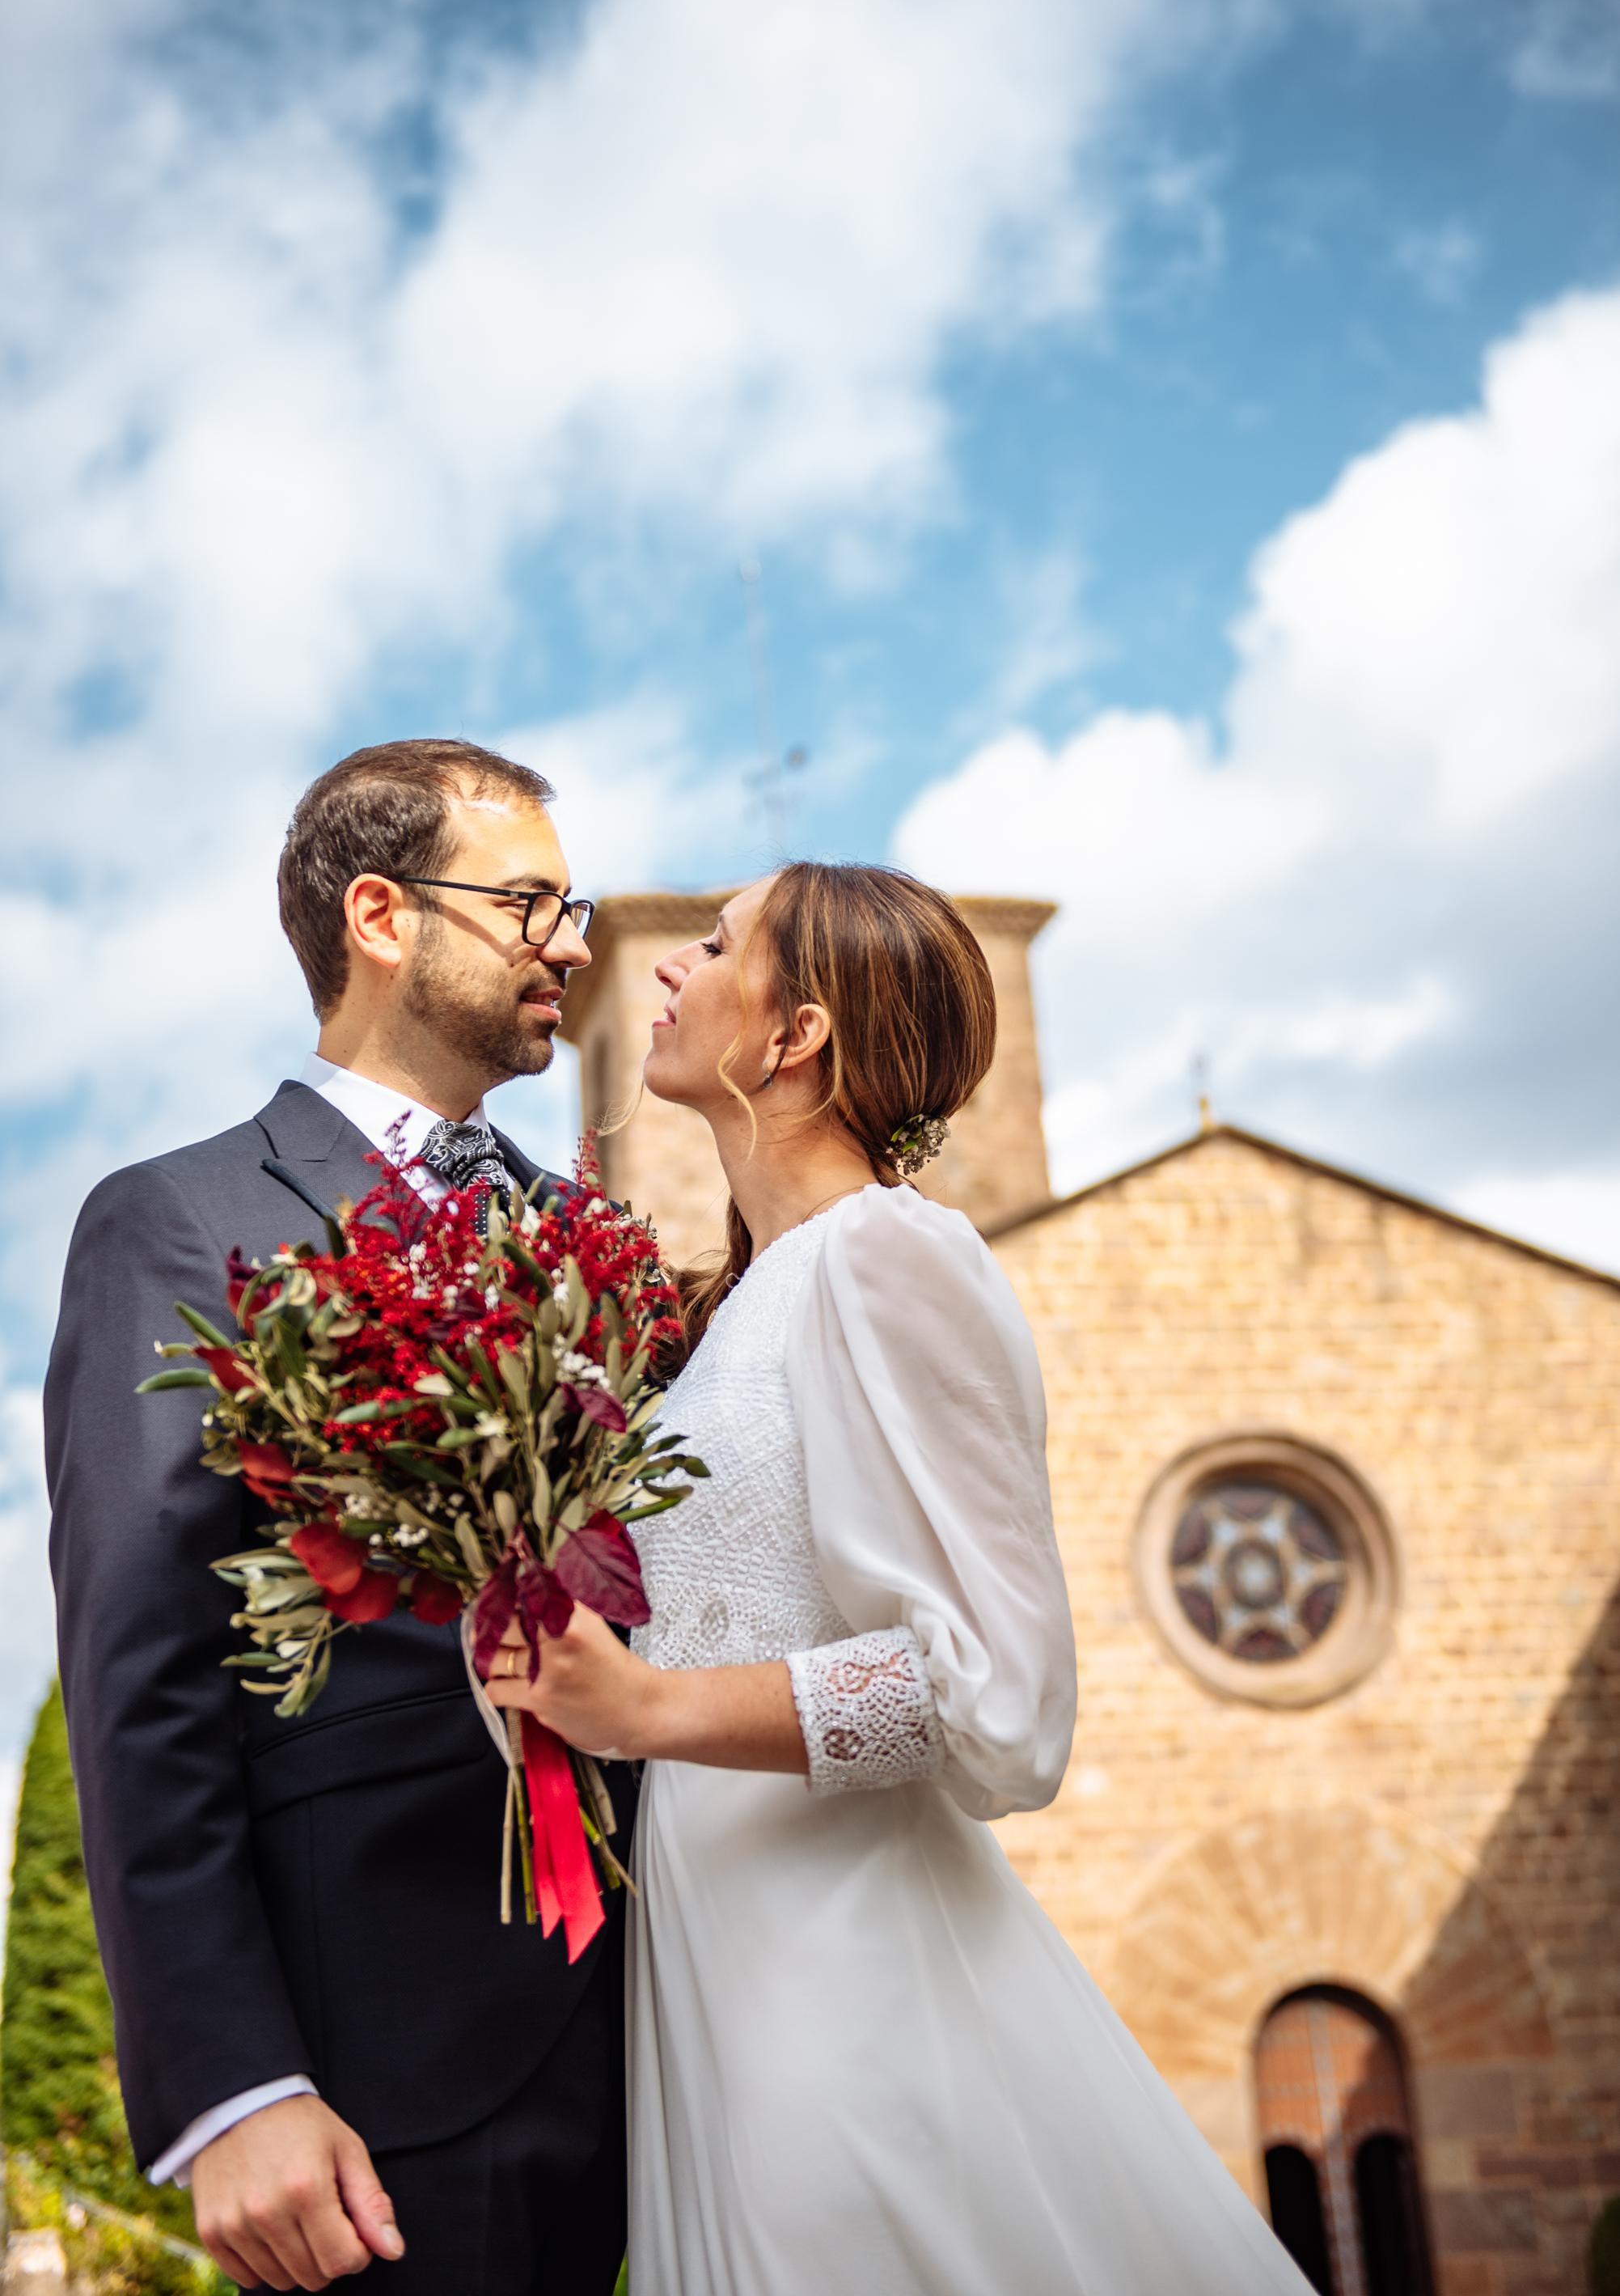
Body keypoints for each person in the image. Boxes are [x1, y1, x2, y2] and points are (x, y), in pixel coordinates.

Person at [483, 860, 1316, 2294]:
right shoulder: (735, 1314)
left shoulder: (894, 1257)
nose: (667, 971)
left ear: (796, 1034)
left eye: (714, 947)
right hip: (709, 1967)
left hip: (847, 1979)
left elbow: (1003, 1697)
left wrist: (651, 1710)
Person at [45, 739, 632, 2296]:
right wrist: (233, 2087)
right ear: (380, 915)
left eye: (573, 909)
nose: (570, 943)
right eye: (530, 903)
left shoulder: (585, 1234)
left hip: (662, 2031)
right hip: (378, 2074)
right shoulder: (178, 1222)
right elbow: (142, 1672)